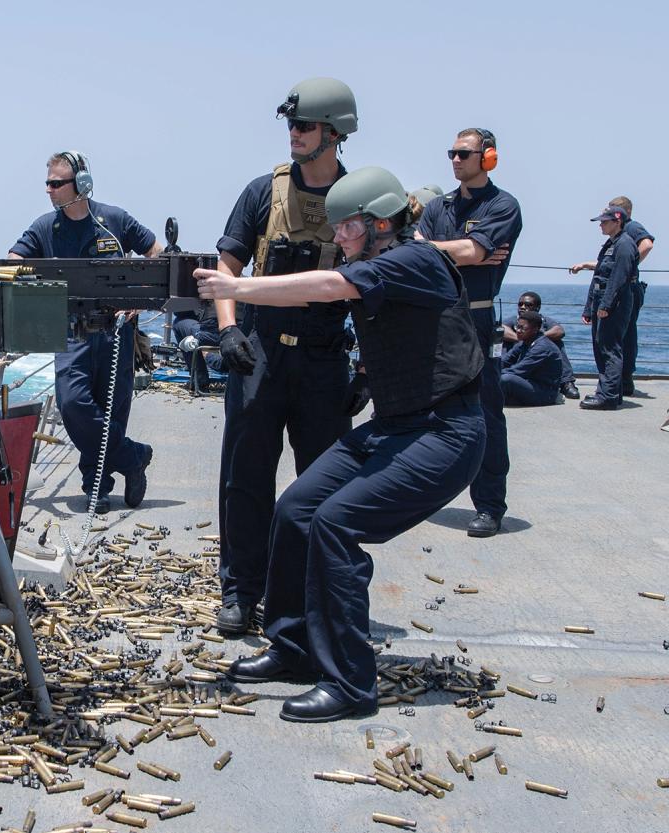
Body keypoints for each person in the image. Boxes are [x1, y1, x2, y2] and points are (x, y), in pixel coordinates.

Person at [195, 166, 485, 722]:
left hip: (445, 433)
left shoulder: (413, 258)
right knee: (298, 509)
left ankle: (352, 683)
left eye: (346, 229)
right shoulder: (378, 259)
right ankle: (295, 647)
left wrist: (236, 288)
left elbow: (330, 288)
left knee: (336, 524)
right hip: (397, 426)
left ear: (380, 223)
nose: (337, 240)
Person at [210, 78, 360, 634]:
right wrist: (229, 334)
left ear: (335, 132)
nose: (293, 135)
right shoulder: (261, 193)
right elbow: (227, 269)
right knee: (245, 478)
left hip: (324, 359)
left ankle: (315, 592)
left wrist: (366, 368)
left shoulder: (361, 199)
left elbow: (382, 287)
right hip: (260, 354)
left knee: (326, 484)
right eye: (291, 126)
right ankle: (241, 591)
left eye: (304, 126)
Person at [8, 151, 161, 513]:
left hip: (117, 332)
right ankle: (133, 456)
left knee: (112, 408)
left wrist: (140, 296)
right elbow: (13, 261)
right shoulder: (46, 227)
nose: (49, 190)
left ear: (82, 185)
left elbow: (158, 252)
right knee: (73, 403)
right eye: (48, 183)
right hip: (72, 333)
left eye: (56, 183)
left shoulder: (115, 220)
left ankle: (98, 487)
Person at [416, 127, 522, 539]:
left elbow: (472, 252)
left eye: (464, 153)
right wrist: (462, 249)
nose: (456, 160)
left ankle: (490, 506)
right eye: (452, 153)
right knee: (424, 411)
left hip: (476, 322)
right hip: (434, 318)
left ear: (488, 157)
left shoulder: (504, 205)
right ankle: (419, 491)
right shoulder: (438, 206)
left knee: (485, 414)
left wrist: (450, 249)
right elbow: (421, 250)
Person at [571, 196, 655, 396]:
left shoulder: (629, 231)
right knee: (608, 342)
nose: (601, 222)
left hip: (621, 294)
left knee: (616, 342)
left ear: (619, 215)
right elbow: (605, 268)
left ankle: (615, 389)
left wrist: (629, 266)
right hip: (609, 294)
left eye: (606, 217)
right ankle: (613, 388)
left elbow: (646, 245)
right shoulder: (613, 241)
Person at [579, 205, 638, 410]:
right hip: (601, 298)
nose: (601, 225)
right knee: (601, 345)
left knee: (609, 348)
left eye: (604, 222)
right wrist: (589, 308)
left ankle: (608, 396)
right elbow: (599, 276)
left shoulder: (624, 245)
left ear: (617, 221)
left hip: (614, 302)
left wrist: (606, 305)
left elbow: (618, 278)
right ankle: (610, 391)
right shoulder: (610, 244)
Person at [502, 292, 578, 399]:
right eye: (520, 304)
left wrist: (537, 337)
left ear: (537, 307)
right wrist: (522, 338)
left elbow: (559, 331)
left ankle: (566, 381)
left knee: (556, 342)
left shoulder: (544, 323)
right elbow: (502, 329)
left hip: (540, 382)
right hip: (520, 361)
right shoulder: (516, 321)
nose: (523, 307)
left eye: (528, 305)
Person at [501, 311, 563, 406]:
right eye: (517, 327)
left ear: (535, 329)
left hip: (545, 392)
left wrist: (494, 375)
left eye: (523, 328)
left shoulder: (542, 347)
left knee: (506, 379)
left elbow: (519, 370)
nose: (518, 330)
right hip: (529, 384)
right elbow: (505, 360)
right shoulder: (524, 342)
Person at [173, 303, 223, 392]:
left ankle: (199, 380)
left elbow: (180, 311)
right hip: (238, 334)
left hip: (212, 336)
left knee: (179, 322)